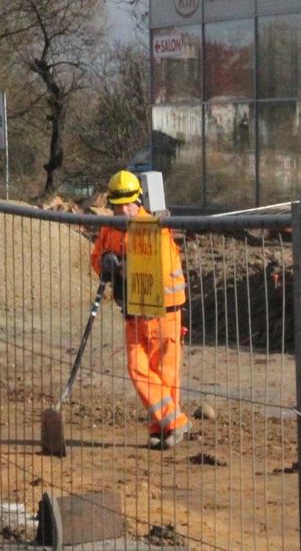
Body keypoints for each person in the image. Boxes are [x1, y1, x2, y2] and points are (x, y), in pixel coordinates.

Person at [91, 170, 191, 450]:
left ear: (138, 200)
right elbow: (97, 259)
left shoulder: (154, 227)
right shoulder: (109, 228)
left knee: (165, 373)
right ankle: (175, 421)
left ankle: (164, 427)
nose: (123, 210)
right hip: (134, 310)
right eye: (118, 204)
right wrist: (105, 263)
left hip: (164, 311)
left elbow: (153, 269)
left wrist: (120, 265)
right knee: (138, 368)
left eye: (128, 203)